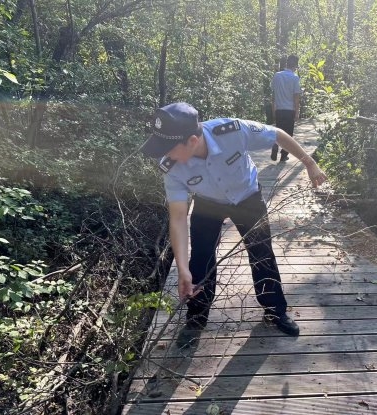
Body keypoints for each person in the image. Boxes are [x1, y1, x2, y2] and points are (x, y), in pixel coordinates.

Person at [140, 102, 327, 347]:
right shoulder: (171, 167)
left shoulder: (234, 131)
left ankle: (274, 310)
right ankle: (196, 319)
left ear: (193, 141)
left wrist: (308, 162)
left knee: (261, 252)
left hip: (247, 197)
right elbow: (177, 217)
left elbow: (278, 134)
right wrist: (182, 268)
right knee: (199, 260)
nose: (166, 155)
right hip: (208, 203)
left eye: (169, 148)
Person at [270, 54, 302, 162]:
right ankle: (284, 156)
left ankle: (275, 145)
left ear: (287, 63)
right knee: (288, 135)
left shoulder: (277, 75)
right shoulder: (294, 77)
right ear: (295, 66)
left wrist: (273, 109)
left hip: (279, 109)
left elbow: (273, 94)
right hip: (289, 110)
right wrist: (297, 112)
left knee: (278, 131)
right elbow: (296, 96)